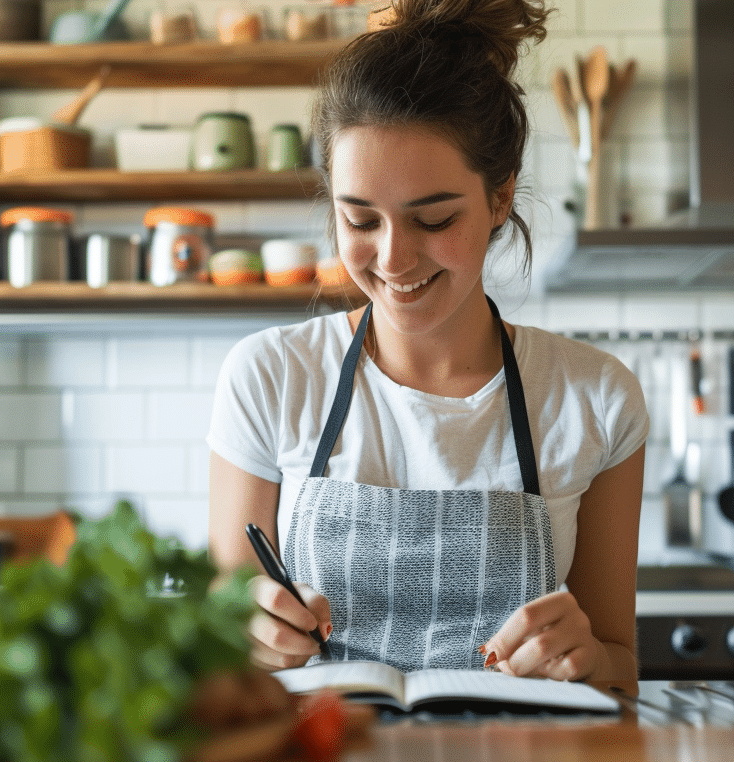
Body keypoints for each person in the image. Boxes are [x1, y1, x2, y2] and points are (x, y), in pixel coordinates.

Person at [206, 0, 648, 694]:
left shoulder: (595, 396)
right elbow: (224, 645)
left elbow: (620, 668)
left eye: (433, 218)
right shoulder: (269, 377)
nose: (394, 258)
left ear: (500, 198)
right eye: (359, 219)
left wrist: (588, 657)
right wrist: (245, 632)